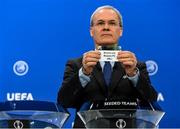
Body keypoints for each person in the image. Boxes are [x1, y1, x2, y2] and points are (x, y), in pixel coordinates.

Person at [57, 5, 158, 128]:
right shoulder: (76, 65)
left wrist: (133, 75)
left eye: (112, 23)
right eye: (100, 23)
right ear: (91, 31)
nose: (106, 27)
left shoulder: (136, 66)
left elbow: (152, 100)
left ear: (120, 30)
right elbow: (63, 101)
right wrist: (84, 73)